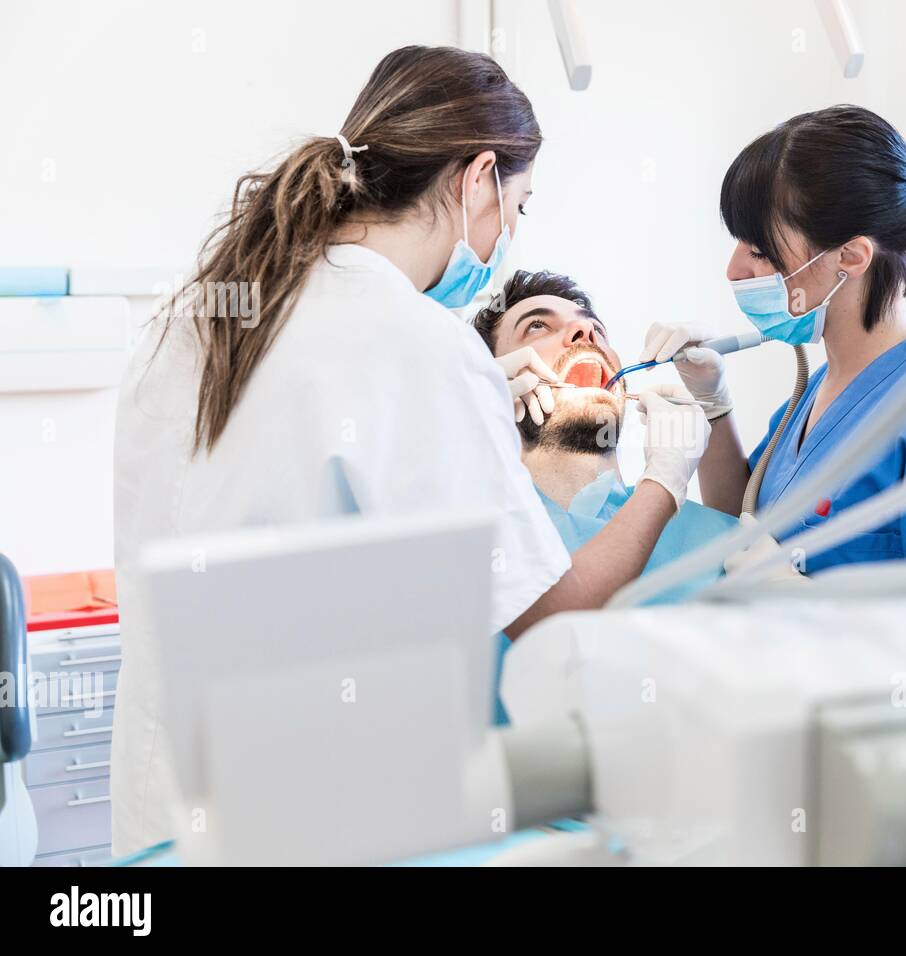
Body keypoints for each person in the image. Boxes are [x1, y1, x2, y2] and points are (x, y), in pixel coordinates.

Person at [110, 46, 708, 856]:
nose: (508, 235)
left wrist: (465, 402)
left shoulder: (196, 316)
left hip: (162, 821)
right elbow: (555, 620)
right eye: (518, 207)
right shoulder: (416, 343)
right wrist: (666, 479)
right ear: (478, 178)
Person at [645, 105, 906, 574]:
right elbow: (744, 518)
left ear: (852, 256)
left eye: (759, 250)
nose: (735, 271)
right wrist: (712, 405)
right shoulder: (826, 384)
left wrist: (809, 604)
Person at [471, 269, 739, 722]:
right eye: (538, 325)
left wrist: (714, 408)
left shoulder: (724, 541)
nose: (585, 332)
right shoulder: (473, 535)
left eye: (596, 327)